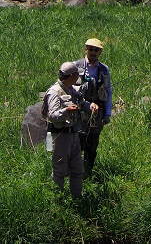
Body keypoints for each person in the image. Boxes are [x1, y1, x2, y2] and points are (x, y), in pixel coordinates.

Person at [43, 62, 98, 198]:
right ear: (71, 76)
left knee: (77, 169)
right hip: (60, 136)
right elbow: (52, 115)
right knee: (60, 170)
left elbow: (82, 102)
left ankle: (77, 198)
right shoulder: (54, 92)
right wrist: (66, 110)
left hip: (74, 135)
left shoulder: (72, 90)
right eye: (76, 75)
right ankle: (58, 200)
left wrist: (91, 106)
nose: (78, 78)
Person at [74, 38, 112, 177]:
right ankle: (75, 172)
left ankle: (88, 172)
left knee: (93, 144)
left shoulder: (104, 69)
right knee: (77, 143)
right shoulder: (75, 66)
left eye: (96, 50)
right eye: (90, 49)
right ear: (86, 50)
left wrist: (108, 113)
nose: (93, 53)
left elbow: (108, 91)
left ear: (100, 52)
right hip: (79, 111)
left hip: (97, 113)